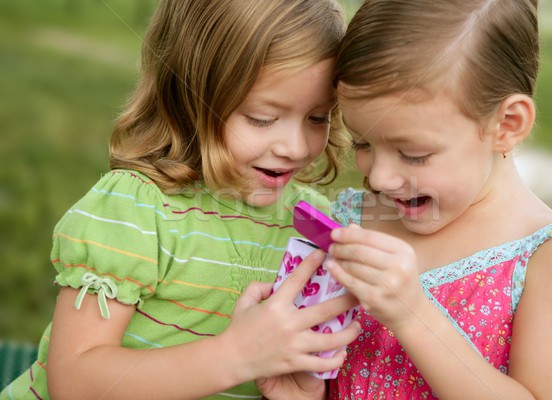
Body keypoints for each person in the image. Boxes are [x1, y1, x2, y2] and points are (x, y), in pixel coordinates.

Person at [0, 1, 361, 399]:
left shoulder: (311, 223)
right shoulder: (136, 210)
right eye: (262, 117)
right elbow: (74, 383)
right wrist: (235, 355)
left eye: (317, 118)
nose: (295, 147)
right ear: (188, 97)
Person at [323, 0, 552, 399]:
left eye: (413, 153)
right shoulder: (349, 220)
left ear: (506, 125)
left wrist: (414, 315)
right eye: (363, 142)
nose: (379, 178)